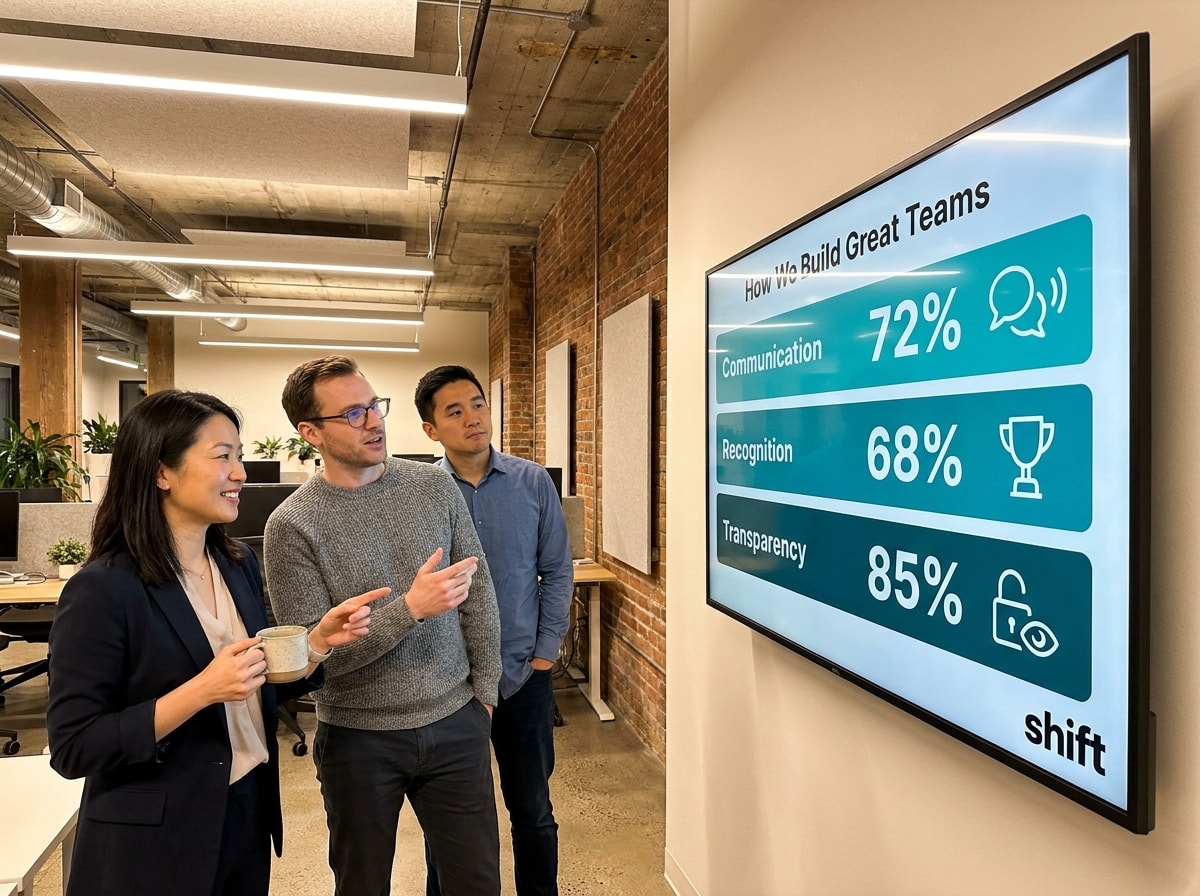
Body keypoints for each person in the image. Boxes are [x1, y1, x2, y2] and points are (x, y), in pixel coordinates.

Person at [46, 389, 388, 896]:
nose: (240, 473)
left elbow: (252, 682)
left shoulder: (236, 564)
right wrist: (201, 691)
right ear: (162, 472)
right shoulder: (103, 588)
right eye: (222, 457)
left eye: (240, 456)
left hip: (244, 809)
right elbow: (75, 747)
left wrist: (315, 643)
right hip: (157, 838)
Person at [263, 355, 503, 896]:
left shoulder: (434, 488)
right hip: (358, 740)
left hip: (455, 722)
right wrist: (410, 609)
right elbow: (311, 661)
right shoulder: (292, 526)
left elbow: (478, 594)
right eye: (352, 413)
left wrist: (483, 696)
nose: (374, 421)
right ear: (310, 432)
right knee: (362, 883)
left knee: (476, 882)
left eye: (374, 405)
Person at [415, 365, 574, 896]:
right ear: (431, 430)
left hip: (522, 676)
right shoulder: (421, 493)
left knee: (532, 811)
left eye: (477, 404)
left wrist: (546, 653)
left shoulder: (532, 482)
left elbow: (557, 569)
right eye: (454, 411)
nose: (472, 418)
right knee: (450, 823)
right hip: (450, 684)